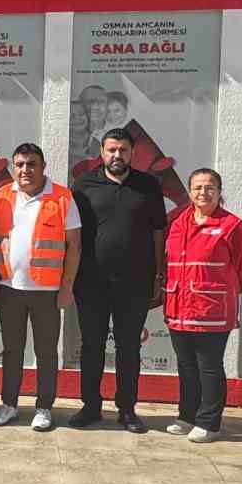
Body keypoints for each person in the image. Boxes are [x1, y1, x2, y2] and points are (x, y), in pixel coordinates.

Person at [72, 129, 167, 432]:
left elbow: (158, 231)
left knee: (129, 347)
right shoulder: (84, 185)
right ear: (101, 152)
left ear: (131, 152)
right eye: (111, 150)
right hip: (91, 282)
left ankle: (127, 409)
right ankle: (90, 406)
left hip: (135, 283)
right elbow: (73, 234)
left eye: (123, 150)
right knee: (92, 346)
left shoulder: (148, 185)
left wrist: (158, 272)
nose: (117, 155)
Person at [0, 144, 81, 432]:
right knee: (11, 350)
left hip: (47, 291)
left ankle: (44, 407)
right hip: (8, 288)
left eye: (31, 164)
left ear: (43, 167)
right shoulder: (2, 196)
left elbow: (74, 247)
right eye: (19, 164)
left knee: (46, 352)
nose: (25, 170)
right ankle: (9, 404)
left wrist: (66, 287)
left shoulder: (62, 197)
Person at [163, 169, 242, 443]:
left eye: (209, 187)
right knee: (186, 366)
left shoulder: (232, 226)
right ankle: (187, 416)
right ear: (190, 191)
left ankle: (209, 422)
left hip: (211, 310)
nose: (203, 192)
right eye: (197, 187)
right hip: (178, 307)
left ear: (219, 191)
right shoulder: (178, 223)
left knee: (209, 367)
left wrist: (222, 291)